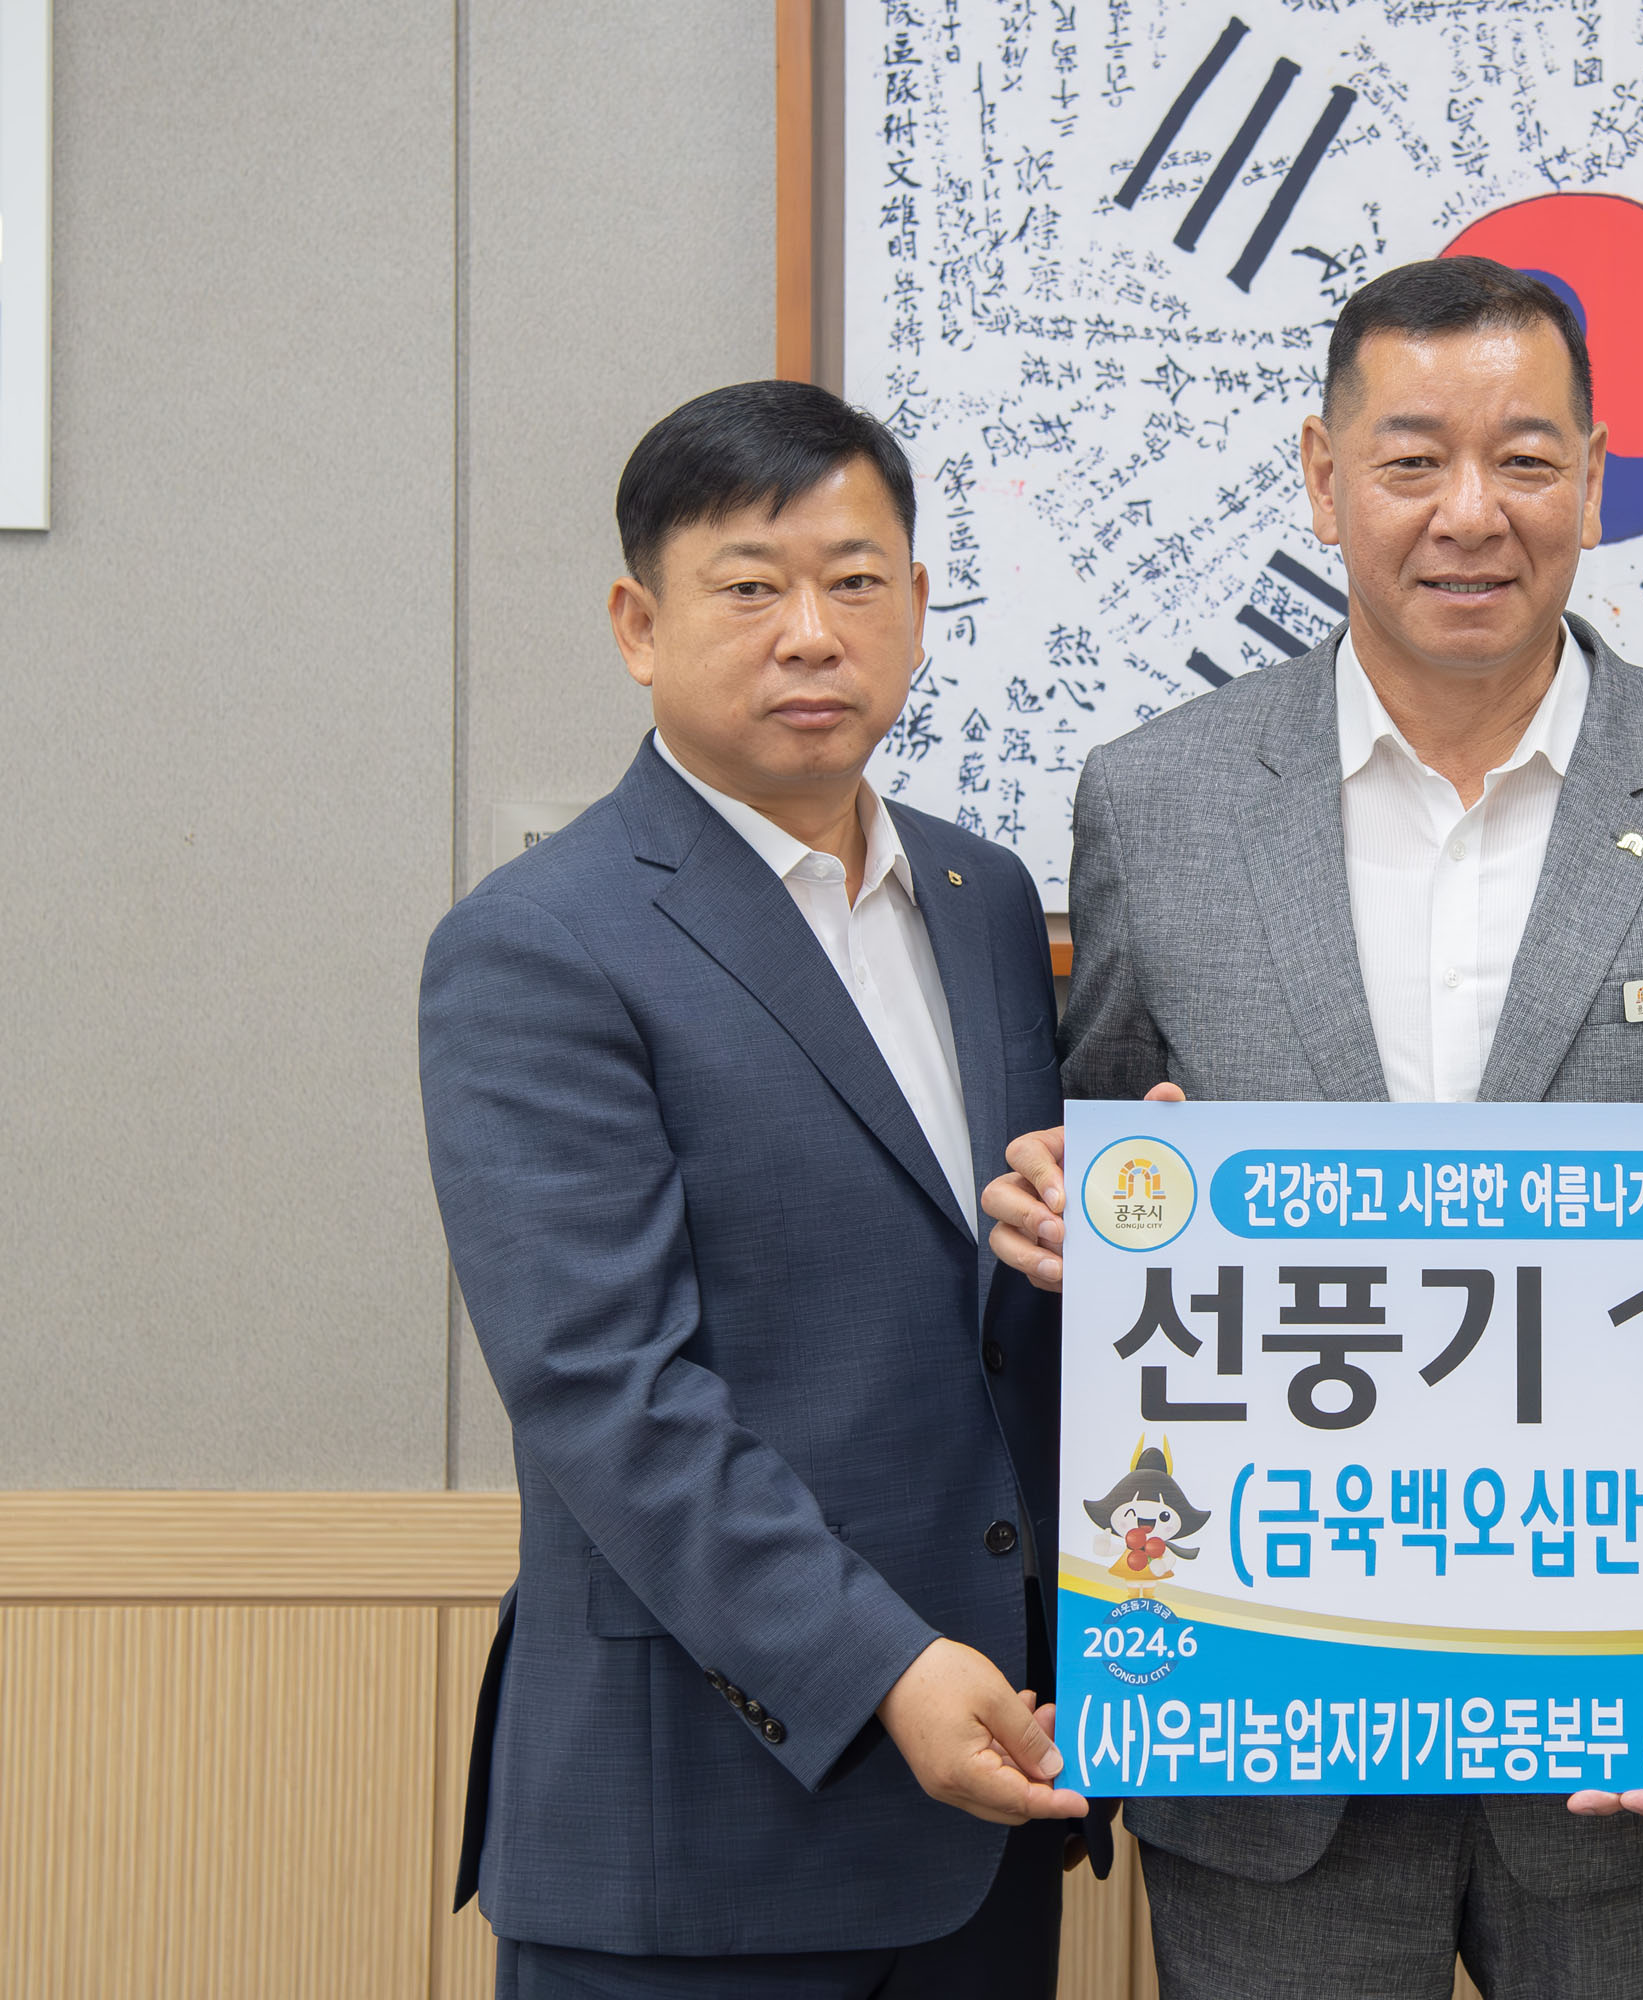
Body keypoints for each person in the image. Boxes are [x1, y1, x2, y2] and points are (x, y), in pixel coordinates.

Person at [980, 256, 1643, 1999]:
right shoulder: (1157, 802)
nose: (1471, 513)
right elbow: (1113, 1184)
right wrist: (1064, 1213)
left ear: (1598, 478)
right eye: (1412, 461)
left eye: (1526, 460)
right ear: (1323, 476)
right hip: (1270, 1737)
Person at [420, 381, 1089, 1998]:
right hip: (698, 1831)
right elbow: (605, 1392)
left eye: (855, 582)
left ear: (915, 609)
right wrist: (886, 1670)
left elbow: (998, 1310)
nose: (810, 633)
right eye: (749, 586)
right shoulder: (543, 940)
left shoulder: (984, 896)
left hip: (1000, 1797)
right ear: (638, 625)